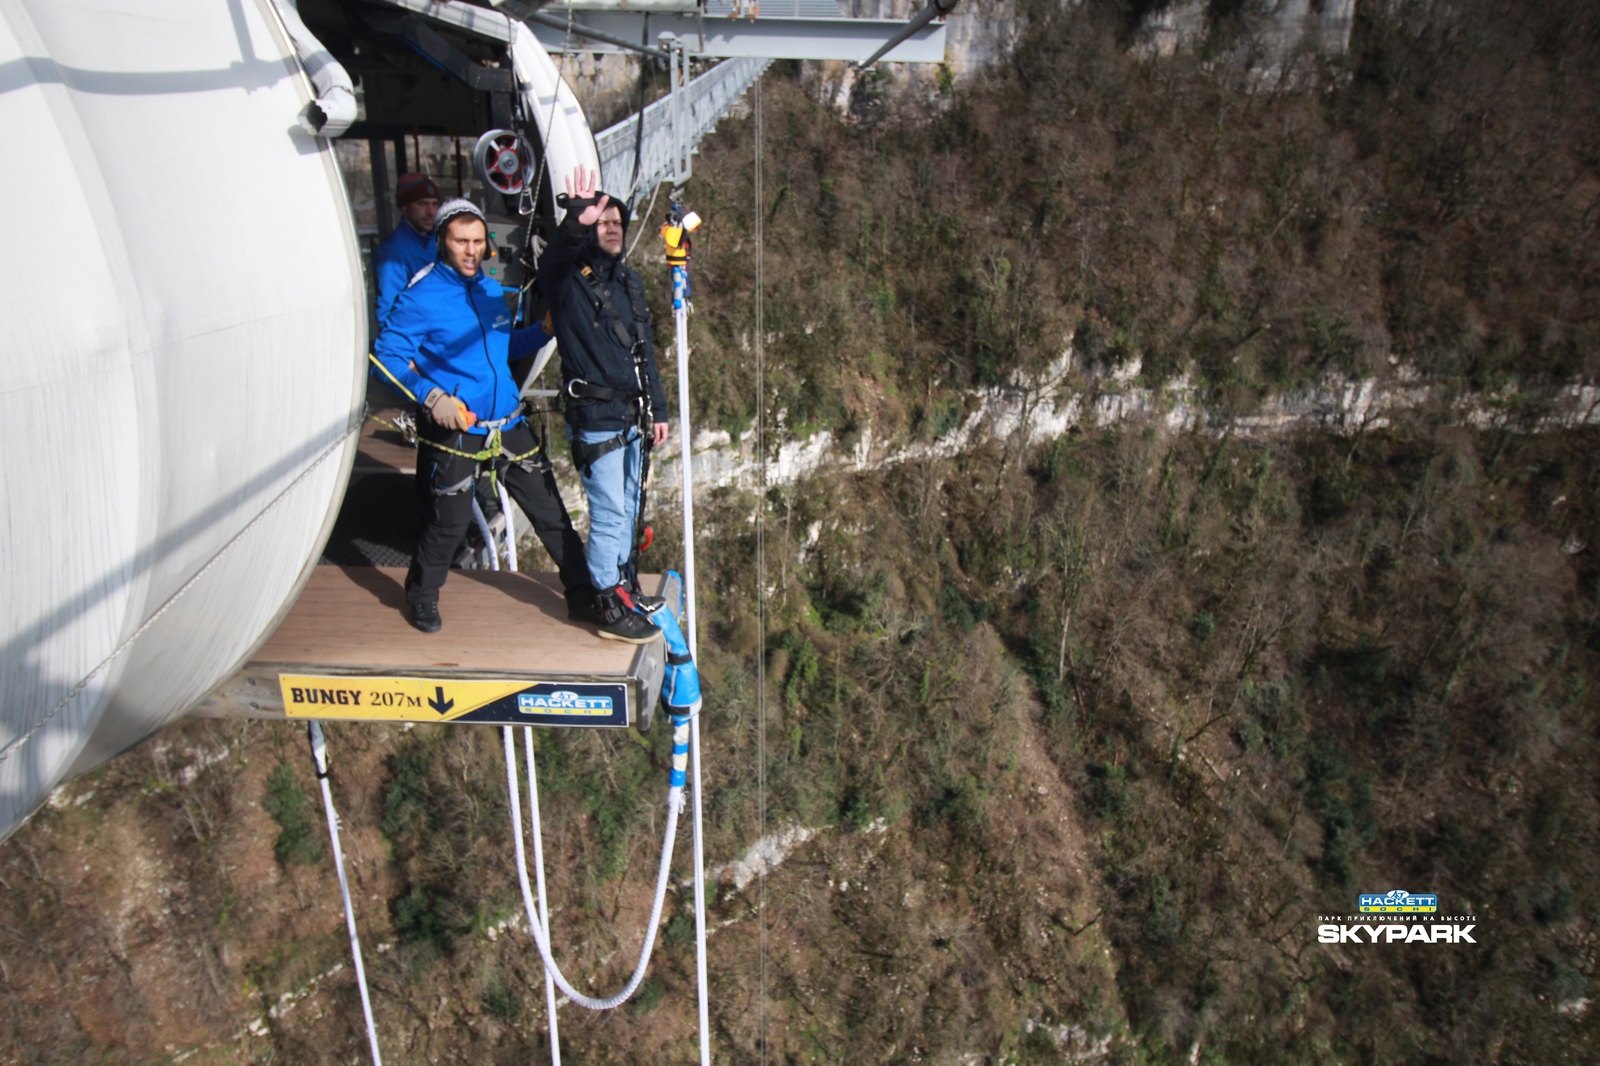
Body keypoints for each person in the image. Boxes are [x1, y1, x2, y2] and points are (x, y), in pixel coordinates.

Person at [372, 198, 595, 635]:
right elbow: (386, 356)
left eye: (478, 242)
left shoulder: (492, 290)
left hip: (507, 422)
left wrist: (542, 331)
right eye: (461, 241)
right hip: (457, 427)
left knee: (550, 510)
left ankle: (583, 593)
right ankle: (421, 596)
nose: (471, 250)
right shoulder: (420, 297)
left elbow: (502, 348)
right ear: (442, 242)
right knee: (448, 526)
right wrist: (431, 395)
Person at [538, 166, 669, 645]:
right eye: (603, 222)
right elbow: (552, 263)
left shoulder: (629, 283)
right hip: (595, 418)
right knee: (611, 512)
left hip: (632, 415)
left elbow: (643, 351)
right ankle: (605, 601)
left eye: (617, 222)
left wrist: (660, 409)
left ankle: (623, 586)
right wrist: (576, 219)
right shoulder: (570, 282)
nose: (611, 228)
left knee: (629, 508)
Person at [373, 173, 440, 326]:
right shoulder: (393, 253)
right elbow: (387, 315)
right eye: (422, 204)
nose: (431, 212)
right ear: (404, 207)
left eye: (435, 204)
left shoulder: (438, 240)